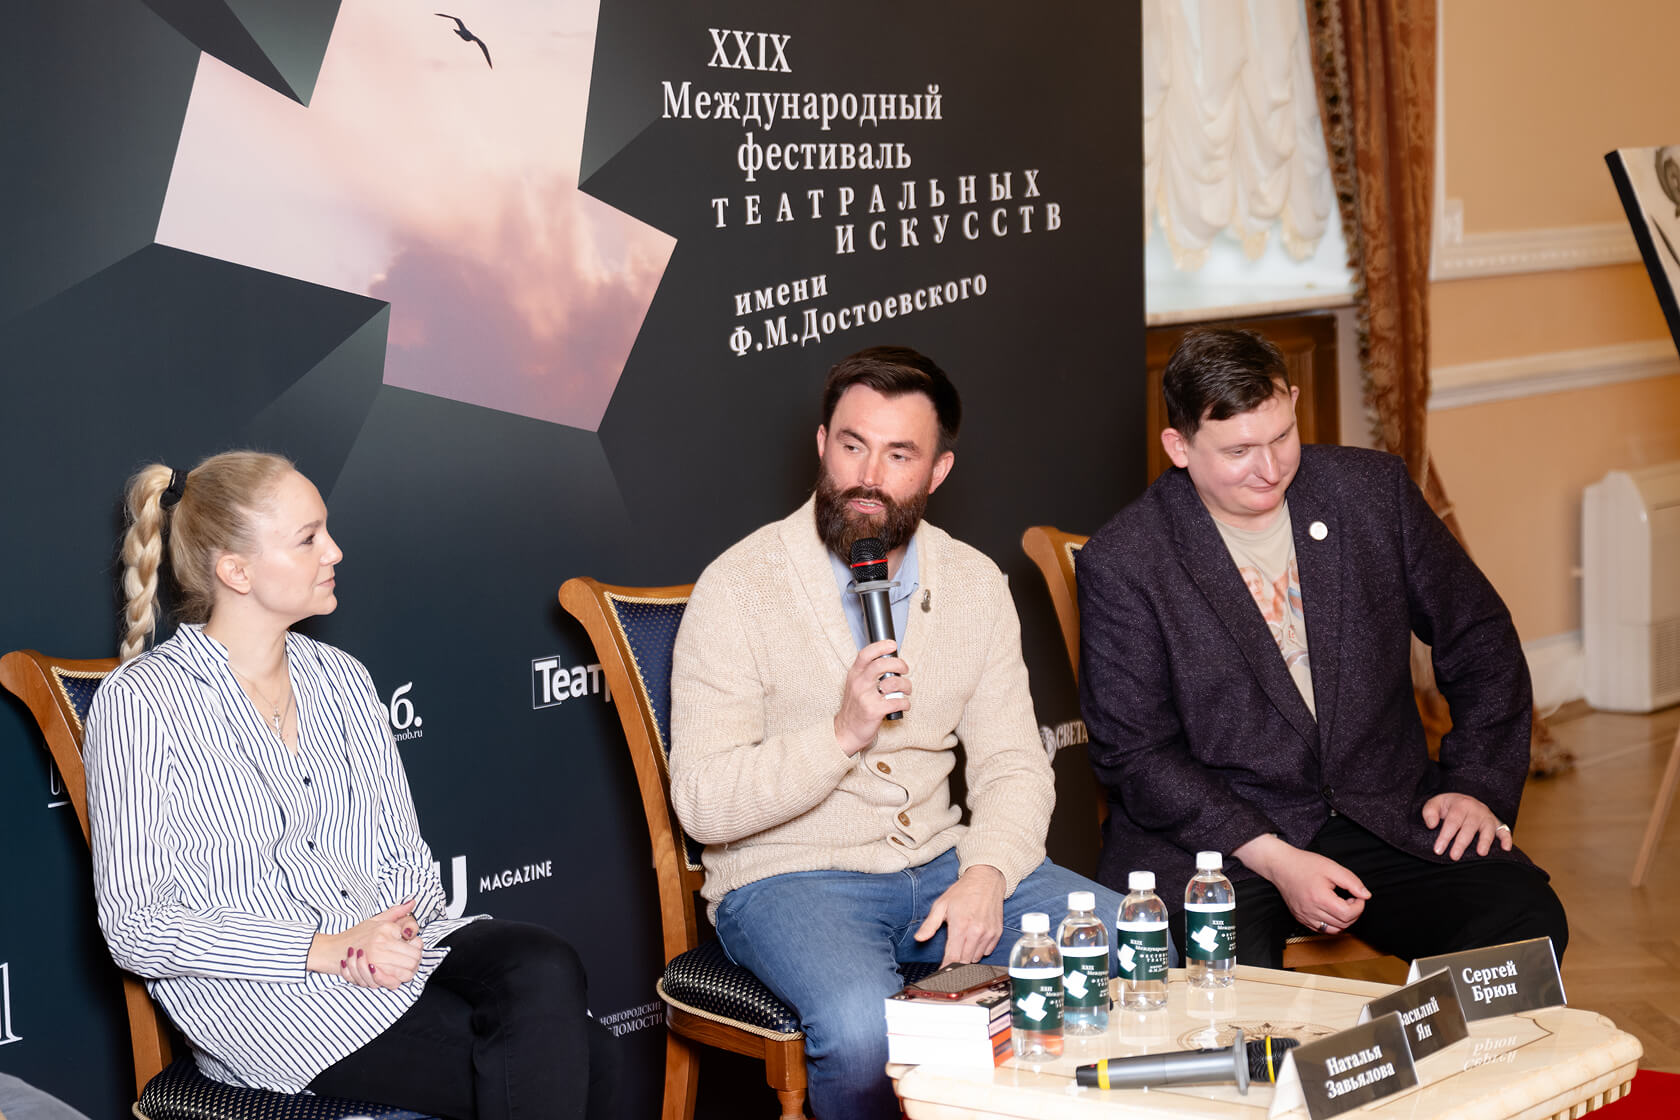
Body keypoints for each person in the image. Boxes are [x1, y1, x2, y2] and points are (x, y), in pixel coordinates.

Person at [83, 451, 616, 1119]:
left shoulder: (342, 679)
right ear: (236, 571)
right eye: (308, 538)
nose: (334, 551)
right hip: (271, 1000)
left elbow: (402, 853)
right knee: (592, 1066)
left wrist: (400, 931)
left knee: (543, 963)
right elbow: (136, 927)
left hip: (391, 953)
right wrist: (323, 950)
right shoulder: (141, 702)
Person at [669, 347, 1130, 1120]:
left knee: (1124, 943)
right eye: (852, 445)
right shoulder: (738, 587)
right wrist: (839, 735)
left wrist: (986, 874)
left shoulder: (974, 582)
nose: (868, 476)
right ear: (822, 444)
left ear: (937, 472)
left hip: (942, 865)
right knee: (863, 1031)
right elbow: (703, 802)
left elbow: (1014, 767)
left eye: (899, 455)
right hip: (790, 877)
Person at [1077, 328, 1568, 968]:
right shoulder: (1127, 560)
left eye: (1282, 436)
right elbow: (1136, 754)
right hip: (1221, 841)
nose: (1270, 468)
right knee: (1225, 996)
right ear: (1179, 447)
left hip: (1381, 810)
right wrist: (1277, 858)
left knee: (1524, 926)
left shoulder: (1371, 492)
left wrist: (1477, 782)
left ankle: (1419, 1038)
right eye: (1238, 451)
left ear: (1294, 401)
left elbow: (1479, 636)